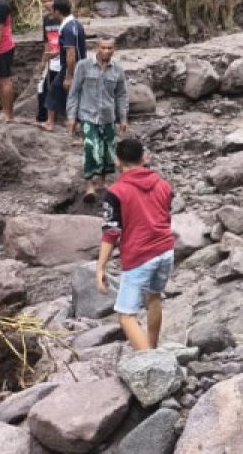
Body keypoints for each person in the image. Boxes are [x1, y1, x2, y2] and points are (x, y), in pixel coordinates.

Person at [96, 138, 174, 351]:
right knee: (154, 297)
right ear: (143, 157)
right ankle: (152, 346)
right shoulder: (162, 184)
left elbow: (111, 232)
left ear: (117, 161)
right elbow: (165, 214)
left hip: (140, 256)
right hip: (165, 250)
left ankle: (151, 361)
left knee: (126, 316)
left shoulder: (116, 192)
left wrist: (100, 266)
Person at [67, 37, 129, 202]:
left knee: (107, 150)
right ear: (97, 48)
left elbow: (122, 95)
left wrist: (123, 118)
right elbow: (74, 92)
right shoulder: (84, 66)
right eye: (103, 47)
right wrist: (71, 116)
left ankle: (102, 183)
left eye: (110, 48)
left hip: (108, 117)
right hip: (88, 116)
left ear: (114, 49)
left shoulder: (117, 71)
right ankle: (89, 185)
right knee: (90, 148)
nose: (107, 51)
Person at [45, 0, 86, 133]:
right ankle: (72, 123)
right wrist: (55, 54)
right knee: (70, 94)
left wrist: (69, 76)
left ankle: (52, 123)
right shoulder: (75, 24)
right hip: (80, 65)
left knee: (56, 91)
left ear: (57, 11)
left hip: (72, 67)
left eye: (52, 10)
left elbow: (71, 53)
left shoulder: (67, 28)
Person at [36, 0, 60, 128]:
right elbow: (47, 41)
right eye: (44, 1)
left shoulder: (64, 18)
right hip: (51, 58)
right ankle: (43, 119)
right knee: (43, 87)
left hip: (63, 58)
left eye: (50, 0)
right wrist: (43, 61)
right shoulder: (46, 19)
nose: (47, 4)